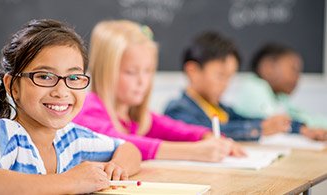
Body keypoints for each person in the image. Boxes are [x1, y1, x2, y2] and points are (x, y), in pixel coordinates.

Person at [0, 19, 141, 194]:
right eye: (45, 76)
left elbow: (128, 149)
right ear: (13, 86)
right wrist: (71, 181)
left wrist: (115, 168)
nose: (61, 92)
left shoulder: (71, 138)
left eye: (73, 78)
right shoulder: (6, 134)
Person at [73, 20, 245, 162]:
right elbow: (120, 143)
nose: (142, 81)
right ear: (106, 71)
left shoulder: (136, 117)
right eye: (131, 72)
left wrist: (207, 136)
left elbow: (175, 128)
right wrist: (194, 151)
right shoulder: (89, 110)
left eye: (148, 71)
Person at [164, 32, 303, 141]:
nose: (226, 84)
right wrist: (258, 128)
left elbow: (247, 120)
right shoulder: (177, 110)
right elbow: (206, 132)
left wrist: (299, 128)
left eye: (230, 77)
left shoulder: (220, 109)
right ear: (192, 71)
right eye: (220, 76)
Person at [232, 43, 327, 140]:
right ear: (268, 67)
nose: (298, 77)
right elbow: (277, 122)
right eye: (293, 69)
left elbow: (300, 116)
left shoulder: (279, 96)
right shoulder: (254, 86)